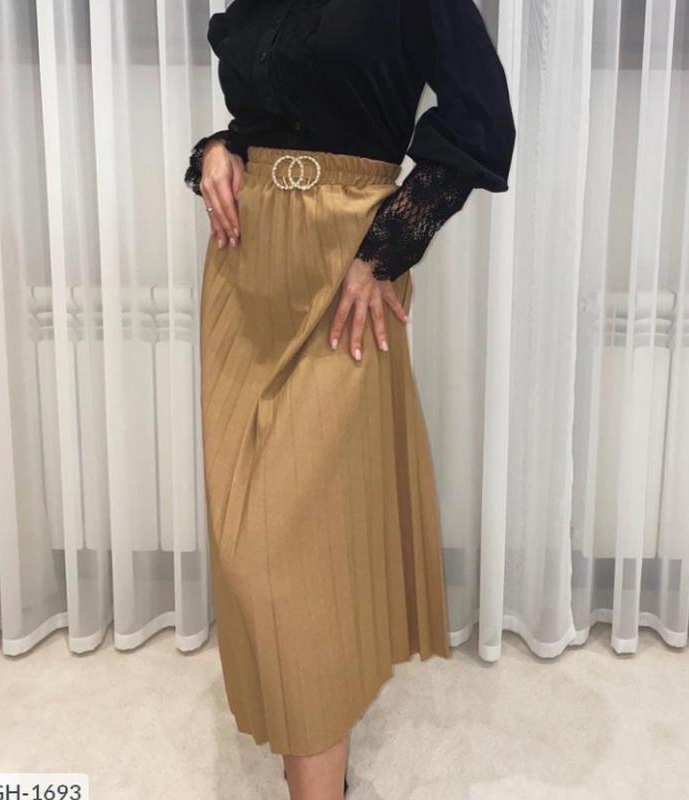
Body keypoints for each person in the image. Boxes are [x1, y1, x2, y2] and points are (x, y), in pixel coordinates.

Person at [185, 1, 515, 797]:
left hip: (347, 273)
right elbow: (265, 116)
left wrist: (386, 250)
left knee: (291, 550)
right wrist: (217, 151)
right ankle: (316, 737)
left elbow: (481, 117)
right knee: (245, 538)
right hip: (244, 272)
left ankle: (317, 782)